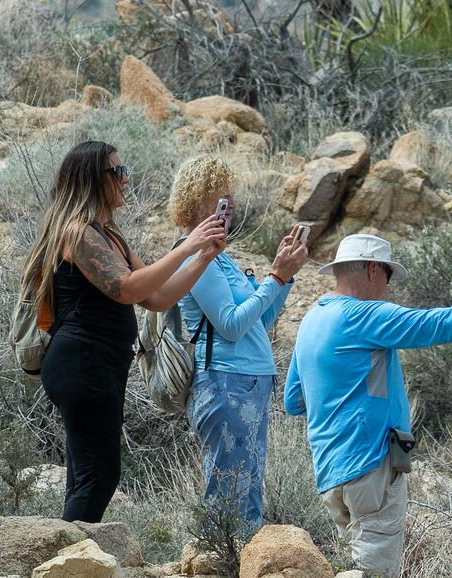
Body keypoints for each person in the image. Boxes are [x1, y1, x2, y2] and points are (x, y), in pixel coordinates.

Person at [282, 234, 452, 578]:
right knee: (374, 574)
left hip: (330, 471)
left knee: (349, 566)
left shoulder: (312, 320)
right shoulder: (364, 316)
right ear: (372, 269)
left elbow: (293, 401)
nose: (387, 287)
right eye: (387, 276)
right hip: (369, 467)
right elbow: (434, 324)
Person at [18, 141, 227, 523]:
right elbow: (127, 289)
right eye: (118, 171)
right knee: (99, 475)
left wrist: (202, 256)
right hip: (82, 362)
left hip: (98, 365)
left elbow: (157, 297)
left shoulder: (108, 234)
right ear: (93, 179)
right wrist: (187, 248)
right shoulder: (78, 233)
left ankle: (71, 548)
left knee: (88, 476)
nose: (126, 179)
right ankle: (71, 553)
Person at [169, 157, 307, 536]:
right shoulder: (197, 256)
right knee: (231, 496)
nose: (229, 208)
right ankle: (221, 560)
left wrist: (283, 279)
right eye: (220, 200)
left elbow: (258, 321)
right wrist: (274, 277)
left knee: (246, 493)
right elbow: (230, 325)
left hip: (244, 384)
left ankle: (239, 560)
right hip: (225, 385)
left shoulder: (220, 258)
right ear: (196, 202)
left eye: (230, 200)